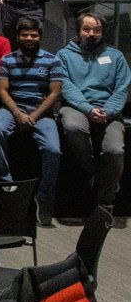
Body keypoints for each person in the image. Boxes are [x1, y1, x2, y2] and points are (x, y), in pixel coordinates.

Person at [0, 18, 64, 227]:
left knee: (53, 149)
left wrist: (33, 116)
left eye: (34, 35)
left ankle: (44, 197)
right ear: (18, 36)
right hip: (12, 108)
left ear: (39, 36)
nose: (29, 38)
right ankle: (6, 185)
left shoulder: (52, 60)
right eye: (25, 35)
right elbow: (2, 90)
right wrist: (17, 113)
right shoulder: (7, 59)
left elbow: (55, 94)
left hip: (42, 112)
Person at [58, 14, 130, 214]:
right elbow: (65, 85)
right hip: (77, 106)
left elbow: (122, 88)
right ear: (79, 31)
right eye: (87, 29)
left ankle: (105, 201)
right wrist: (88, 108)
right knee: (73, 126)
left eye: (96, 30)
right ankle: (95, 171)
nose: (91, 34)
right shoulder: (64, 55)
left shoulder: (116, 56)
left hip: (109, 111)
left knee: (114, 150)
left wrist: (108, 111)